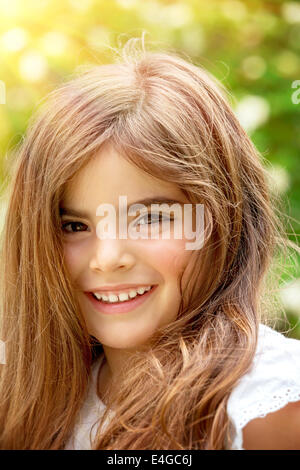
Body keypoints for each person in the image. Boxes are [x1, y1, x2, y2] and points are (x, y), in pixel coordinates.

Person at [0, 36, 300, 450]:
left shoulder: (268, 405)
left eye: (151, 218)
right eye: (74, 226)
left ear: (224, 222)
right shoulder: (28, 398)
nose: (108, 258)